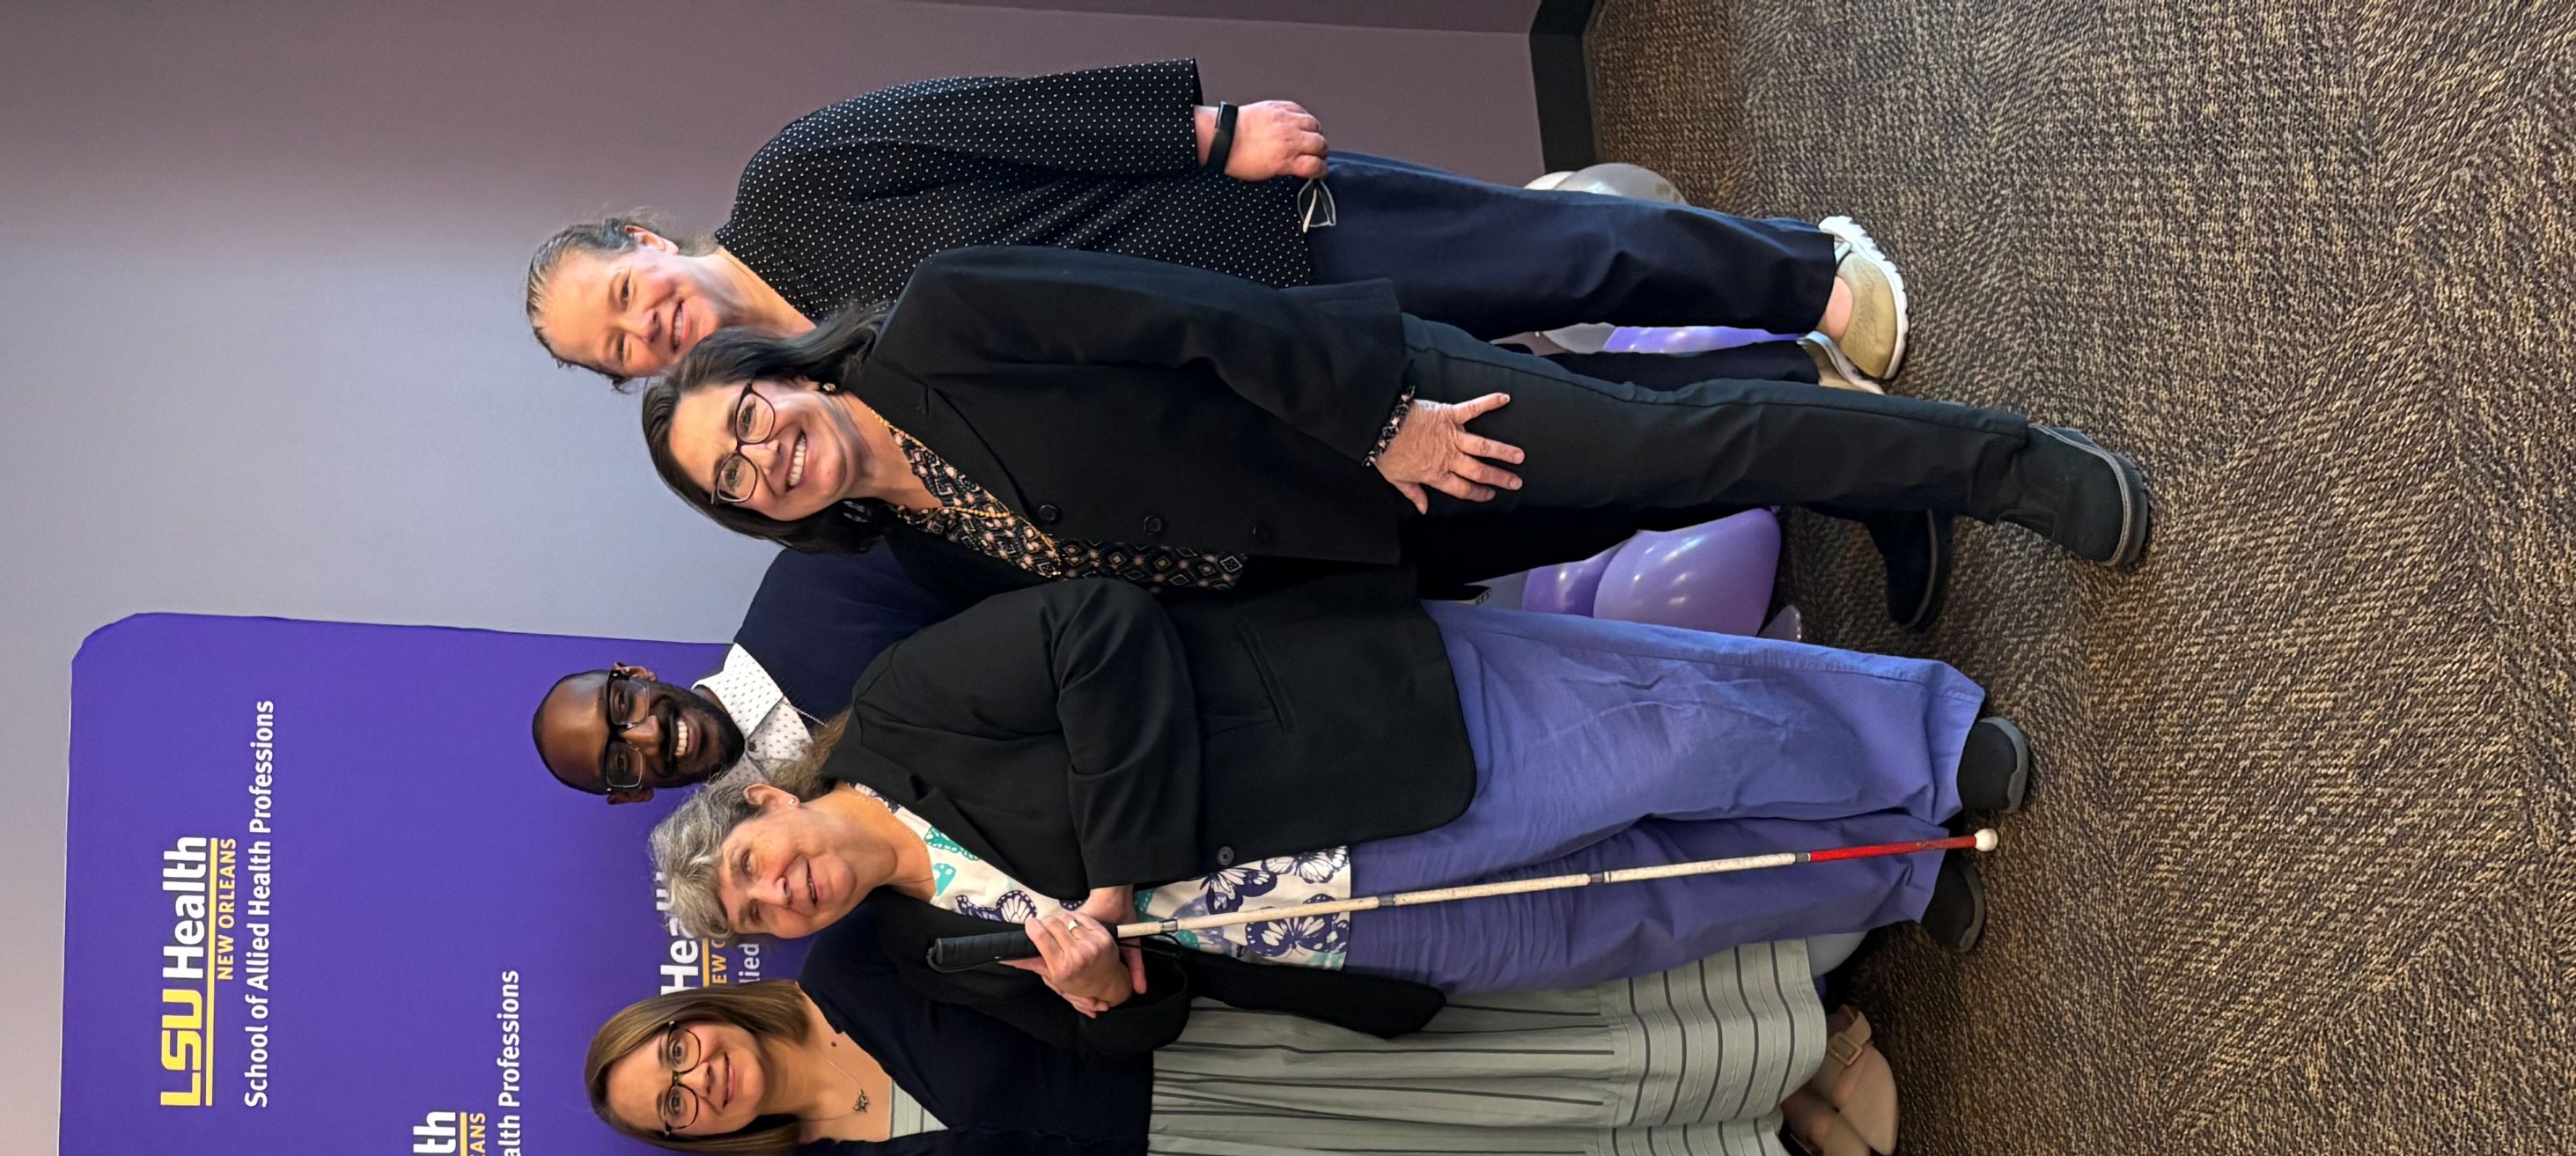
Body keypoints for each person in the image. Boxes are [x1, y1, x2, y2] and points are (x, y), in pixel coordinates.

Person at [644, 569, 2021, 991]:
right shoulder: (927, 947)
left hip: (1346, 732)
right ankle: (1901, 867)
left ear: (769, 801)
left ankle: (1927, 745)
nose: (787, 892)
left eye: (758, 867)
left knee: (1659, 729)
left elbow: (1096, 632)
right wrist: (1097, 986)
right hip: (1340, 923)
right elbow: (1129, 1027)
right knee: (1640, 908)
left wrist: (1112, 876)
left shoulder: (898, 714)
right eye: (763, 918)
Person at [639, 248, 2150, 631]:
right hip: (1366, 544)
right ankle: (1856, 466)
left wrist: (1387, 422)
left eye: (750, 414)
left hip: (1381, 418)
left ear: (781, 370)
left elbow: (1197, 316)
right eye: (734, 475)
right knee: (1647, 484)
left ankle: (2004, 464)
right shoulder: (916, 543)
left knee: (1662, 456)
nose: (763, 454)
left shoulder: (945, 321)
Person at [528, 66, 1902, 399]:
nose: (646, 328)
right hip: (1245, 363)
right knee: (1542, 381)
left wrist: (1207, 130)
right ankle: (1793, 381)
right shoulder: (802, 398)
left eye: (623, 294)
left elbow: (994, 119)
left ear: (647, 238)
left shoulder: (791, 182)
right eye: (617, 352)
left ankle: (1810, 272)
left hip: (1242, 229)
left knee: (1565, 257)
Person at [581, 939, 1844, 1156]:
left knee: (1497, 1059)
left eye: (677, 1054)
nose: (700, 1082)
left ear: (696, 1014)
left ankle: (1791, 1047)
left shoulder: (852, 959)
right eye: (676, 1107)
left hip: (1207, 1046)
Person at [528, 537, 997, 797]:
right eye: (620, 760)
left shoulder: (811, 584)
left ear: (638, 675)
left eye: (624, 705)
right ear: (632, 794)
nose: (649, 734)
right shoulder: (780, 876)